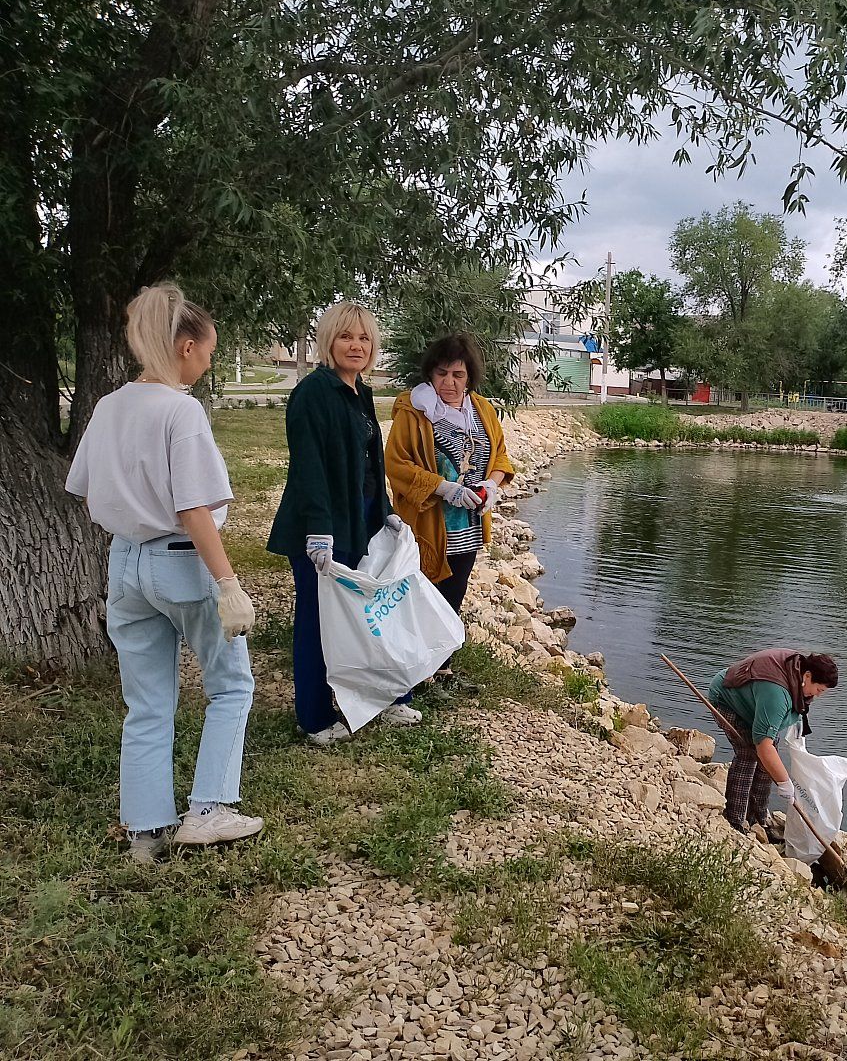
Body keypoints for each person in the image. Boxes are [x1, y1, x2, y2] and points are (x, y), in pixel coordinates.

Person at [66, 283, 263, 862]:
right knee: (231, 683)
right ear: (184, 347)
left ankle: (144, 831)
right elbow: (194, 508)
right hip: (181, 561)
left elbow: (84, 490)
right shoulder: (181, 410)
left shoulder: (109, 405)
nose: (207, 362)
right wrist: (228, 582)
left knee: (148, 701)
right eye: (207, 351)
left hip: (123, 561)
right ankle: (208, 809)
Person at [267, 301, 421, 744]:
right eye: (345, 337)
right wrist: (319, 531)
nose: (356, 345)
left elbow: (370, 462)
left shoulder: (362, 392)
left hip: (362, 522)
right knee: (318, 622)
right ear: (328, 342)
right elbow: (308, 468)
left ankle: (385, 697)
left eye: (364, 338)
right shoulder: (313, 392)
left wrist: (387, 511)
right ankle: (314, 718)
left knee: (370, 615)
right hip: (322, 531)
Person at [384, 333, 515, 656]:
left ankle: (441, 664)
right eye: (442, 373)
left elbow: (499, 455)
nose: (449, 382)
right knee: (422, 597)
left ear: (469, 377)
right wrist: (442, 487)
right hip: (428, 526)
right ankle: (414, 666)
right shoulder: (413, 412)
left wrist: (492, 485)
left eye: (458, 375)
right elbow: (396, 463)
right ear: (430, 373)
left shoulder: (482, 410)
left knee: (453, 595)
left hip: (468, 528)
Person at [707, 649, 839, 835]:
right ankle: (734, 821)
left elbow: (770, 740)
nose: (817, 696)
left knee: (768, 758)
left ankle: (757, 818)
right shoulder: (776, 692)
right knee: (749, 754)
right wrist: (784, 782)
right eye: (819, 690)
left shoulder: (799, 671)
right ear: (807, 676)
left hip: (754, 703)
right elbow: (763, 745)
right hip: (727, 699)